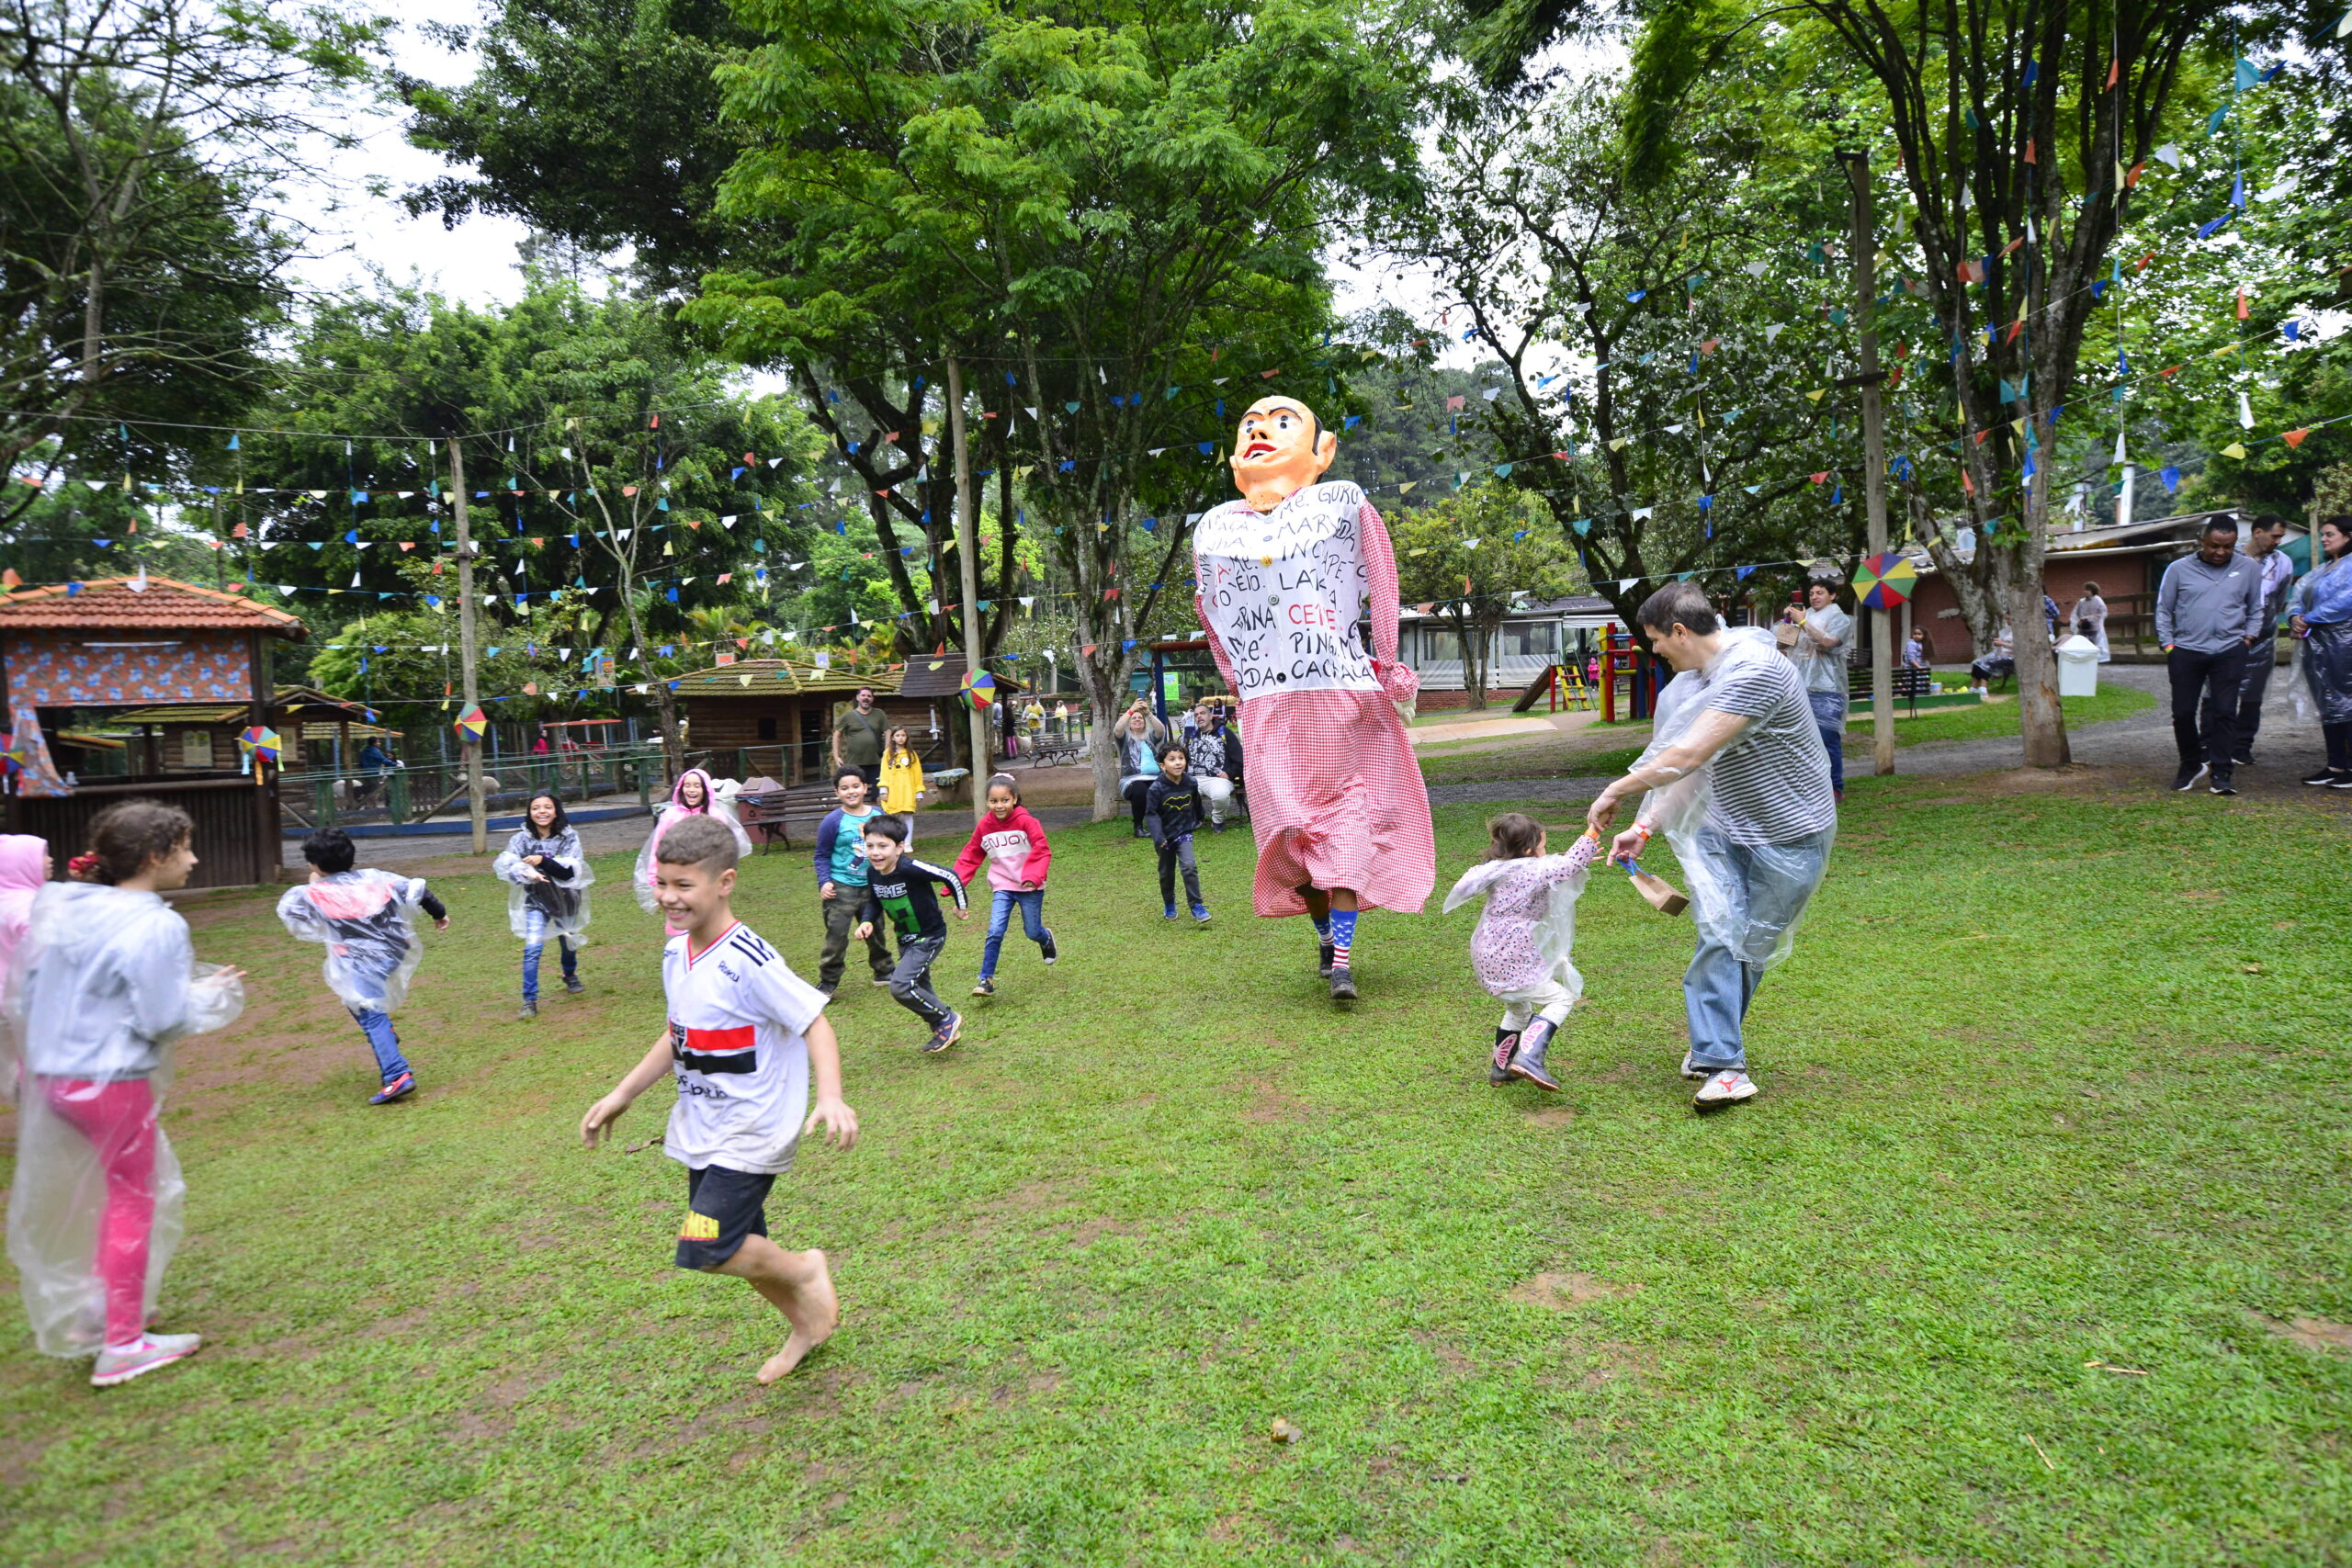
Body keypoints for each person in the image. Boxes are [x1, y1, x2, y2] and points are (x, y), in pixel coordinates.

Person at [579, 814, 856, 1385]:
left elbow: (815, 1022)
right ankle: (806, 1326)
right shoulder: (674, 953)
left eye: (683, 885)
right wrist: (623, 1092)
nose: (668, 896)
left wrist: (830, 1096)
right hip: (704, 1127)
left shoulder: (750, 960)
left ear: (725, 881)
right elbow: (677, 1032)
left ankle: (807, 1271)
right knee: (746, 1245)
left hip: (753, 1129)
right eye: (662, 883)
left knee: (707, 1247)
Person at [1192, 396, 1434, 1003]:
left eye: (1282, 422)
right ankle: (1325, 934)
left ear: (1323, 450)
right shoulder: (1217, 528)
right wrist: (1236, 679)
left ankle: (1343, 963)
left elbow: (1382, 576)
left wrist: (1387, 662)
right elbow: (1211, 610)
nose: (1261, 431)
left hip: (1344, 702)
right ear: (1233, 458)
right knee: (1289, 840)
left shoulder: (1341, 502)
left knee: (1346, 837)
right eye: (1249, 426)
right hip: (1270, 708)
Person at [5, 801, 244, 1385]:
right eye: (184, 848)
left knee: (106, 1195)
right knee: (132, 1202)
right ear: (155, 856)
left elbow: (35, 994)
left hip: (55, 1077)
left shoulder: (67, 905)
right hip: (111, 1080)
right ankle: (123, 1344)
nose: (194, 860)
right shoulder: (156, 923)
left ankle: (101, 1313)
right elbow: (161, 1018)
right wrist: (208, 997)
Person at [1585, 582, 1836, 1111]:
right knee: (1720, 933)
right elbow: (1689, 774)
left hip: (1792, 832)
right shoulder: (1689, 686)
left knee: (1752, 945)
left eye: (1656, 640)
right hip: (1722, 831)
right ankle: (1722, 1063)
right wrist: (1645, 826)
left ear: (1679, 631)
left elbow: (1689, 754)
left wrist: (1615, 789)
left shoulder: (1756, 671)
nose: (1655, 651)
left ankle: (1715, 1046)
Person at [276, 828, 449, 1105]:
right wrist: (439, 914)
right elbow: (418, 891)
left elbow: (292, 913)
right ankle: (386, 1033)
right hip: (393, 952)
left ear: (315, 864)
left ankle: (397, 1075)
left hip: (362, 963)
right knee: (355, 1001)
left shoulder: (314, 894)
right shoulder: (375, 879)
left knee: (370, 1014)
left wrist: (314, 884)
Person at [1442, 813, 1591, 1094]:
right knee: (1561, 998)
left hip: (1487, 952)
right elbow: (1569, 865)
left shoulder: (1496, 868)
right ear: (1528, 849)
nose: (1545, 851)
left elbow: (1559, 866)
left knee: (1518, 1010)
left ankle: (1501, 1068)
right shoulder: (1533, 870)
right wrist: (1593, 832)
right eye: (1542, 845)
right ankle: (1530, 1057)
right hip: (1512, 953)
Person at [2155, 516, 2266, 795]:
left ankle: (2222, 772)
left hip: (2229, 650)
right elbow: (2163, 609)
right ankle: (2190, 764)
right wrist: (2169, 645)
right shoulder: (2178, 569)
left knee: (2225, 712)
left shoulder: (2248, 568)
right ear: (2202, 541)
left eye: (2228, 547)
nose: (2220, 552)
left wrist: (2248, 639)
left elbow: (2256, 608)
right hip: (2186, 651)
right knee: (2183, 713)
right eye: (2214, 545)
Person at [852, 816, 969, 1055]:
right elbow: (874, 900)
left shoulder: (910, 868)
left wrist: (961, 906)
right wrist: (866, 921)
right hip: (904, 938)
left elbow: (949, 875)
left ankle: (947, 1019)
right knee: (920, 987)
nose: (875, 852)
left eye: (883, 846)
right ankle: (944, 1030)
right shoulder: (873, 873)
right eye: (870, 846)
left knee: (901, 986)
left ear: (899, 847)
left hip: (929, 936)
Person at [952, 773, 1057, 998]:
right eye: (993, 801)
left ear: (1015, 799)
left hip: (1030, 887)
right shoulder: (985, 826)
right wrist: (953, 887)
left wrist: (1034, 876)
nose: (999, 805)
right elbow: (970, 856)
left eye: (1004, 800)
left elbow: (1042, 850)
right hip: (1003, 886)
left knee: (1032, 931)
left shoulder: (1028, 822)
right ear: (987, 802)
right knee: (995, 931)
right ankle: (986, 979)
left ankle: (1045, 937)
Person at [495, 791, 594, 1019]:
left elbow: (569, 872)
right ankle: (529, 1000)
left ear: (556, 811)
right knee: (532, 949)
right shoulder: (521, 840)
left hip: (567, 900)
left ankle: (569, 974)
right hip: (536, 902)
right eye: (536, 807)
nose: (542, 811)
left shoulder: (569, 837)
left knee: (568, 943)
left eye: (547, 807)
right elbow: (508, 867)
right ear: (530, 813)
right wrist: (526, 872)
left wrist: (543, 861)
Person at [635, 768, 754, 931]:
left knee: (706, 918)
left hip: (707, 877)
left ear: (705, 790)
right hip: (678, 877)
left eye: (697, 786)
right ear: (681, 788)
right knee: (680, 917)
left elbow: (725, 848)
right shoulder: (671, 815)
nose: (692, 790)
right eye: (687, 785)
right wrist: (654, 876)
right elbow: (657, 846)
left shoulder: (715, 816)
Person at [810, 768, 892, 998]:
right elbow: (822, 855)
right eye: (844, 788)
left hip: (873, 885)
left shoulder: (878, 815)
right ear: (837, 792)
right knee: (836, 934)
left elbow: (889, 844)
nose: (851, 792)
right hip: (841, 887)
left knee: (876, 930)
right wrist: (824, 882)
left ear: (865, 788)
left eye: (856, 786)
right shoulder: (832, 821)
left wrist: (889, 874)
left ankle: (884, 971)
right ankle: (828, 981)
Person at [2291, 514, 2352, 788]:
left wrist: (2309, 618)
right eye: (2323, 534)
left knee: (2348, 702)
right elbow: (2298, 593)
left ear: (2348, 536)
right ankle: (2335, 763)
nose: (2324, 539)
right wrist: (2295, 616)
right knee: (2328, 703)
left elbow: (2346, 601)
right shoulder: (2323, 568)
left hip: (2345, 646)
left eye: (2330, 534)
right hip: (2319, 646)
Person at [2233, 515, 2296, 766]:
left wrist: (2264, 624)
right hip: (2229, 635)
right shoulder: (2232, 557)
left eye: (2281, 537)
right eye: (2275, 536)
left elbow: (2279, 597)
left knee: (2253, 694)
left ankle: (2242, 746)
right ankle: (2211, 743)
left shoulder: (2282, 562)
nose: (2278, 541)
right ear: (2258, 533)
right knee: (2217, 691)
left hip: (2263, 637)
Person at [1785, 581, 1854, 804]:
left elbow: (1827, 642)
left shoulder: (1840, 619)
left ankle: (1834, 788)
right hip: (1801, 687)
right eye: (1811, 593)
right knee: (1801, 741)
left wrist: (1803, 622)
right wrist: (1788, 622)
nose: (1814, 596)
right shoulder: (1804, 617)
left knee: (1827, 740)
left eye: (1820, 593)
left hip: (1828, 690)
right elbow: (1782, 645)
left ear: (1832, 596)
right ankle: (1809, 788)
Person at [1146, 742, 1211, 924]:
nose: (1177, 763)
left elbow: (1195, 802)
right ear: (1162, 765)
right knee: (1166, 873)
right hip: (1164, 838)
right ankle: (1169, 902)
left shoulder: (1190, 782)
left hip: (1184, 832)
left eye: (1181, 758)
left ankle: (1196, 906)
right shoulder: (1156, 788)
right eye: (1172, 759)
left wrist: (1200, 818)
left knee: (1189, 866)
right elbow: (1151, 814)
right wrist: (1158, 837)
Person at [0, 833, 47, 1002]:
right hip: (21, 1000)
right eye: (42, 855)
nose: (50, 860)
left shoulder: (6, 899)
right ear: (20, 863)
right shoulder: (28, 905)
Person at [1114, 706, 1166, 838]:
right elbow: (1117, 729)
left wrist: (1148, 713)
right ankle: (1138, 827)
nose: (1137, 720)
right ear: (1129, 723)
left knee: (1160, 788)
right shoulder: (1124, 739)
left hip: (1155, 778)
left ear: (1145, 722)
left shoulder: (1151, 738)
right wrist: (1131, 710)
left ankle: (1163, 824)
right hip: (1131, 780)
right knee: (1140, 790)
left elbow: (1160, 730)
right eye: (1134, 718)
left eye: (1140, 718)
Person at [1185, 702, 1237, 831]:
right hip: (1194, 778)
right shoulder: (1192, 736)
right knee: (1180, 793)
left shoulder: (1224, 732)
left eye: (1202, 713)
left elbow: (1239, 759)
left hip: (1217, 779)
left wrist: (1229, 773)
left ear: (1210, 716)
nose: (1199, 716)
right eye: (1196, 715)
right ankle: (1197, 817)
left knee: (1220, 795)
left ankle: (1218, 820)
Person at [830, 687, 889, 796]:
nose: (866, 698)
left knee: (876, 793)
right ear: (857, 697)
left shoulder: (879, 714)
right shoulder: (848, 716)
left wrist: (887, 752)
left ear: (872, 699)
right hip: (854, 763)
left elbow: (888, 732)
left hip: (876, 762)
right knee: (856, 793)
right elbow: (836, 735)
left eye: (869, 696)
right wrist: (836, 756)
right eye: (863, 695)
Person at [876, 726, 925, 841]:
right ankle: (894, 841)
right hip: (893, 790)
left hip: (908, 790)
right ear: (892, 738)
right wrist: (883, 789)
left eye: (903, 735)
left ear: (907, 737)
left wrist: (918, 791)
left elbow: (917, 773)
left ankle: (907, 843)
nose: (900, 738)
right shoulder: (888, 754)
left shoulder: (911, 754)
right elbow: (884, 772)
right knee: (892, 816)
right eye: (897, 735)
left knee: (908, 815)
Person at [2070, 581, 2111, 663]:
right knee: (2082, 644)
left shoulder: (2098, 600)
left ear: (2093, 590)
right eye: (2085, 590)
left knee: (2095, 644)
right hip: (2083, 627)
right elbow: (2077, 613)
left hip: (2094, 627)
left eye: (2088, 590)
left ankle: (2094, 660)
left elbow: (2103, 613)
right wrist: (2079, 621)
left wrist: (2090, 618)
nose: (2085, 591)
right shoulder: (2081, 601)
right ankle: (2083, 660)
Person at [1968, 625, 2015, 692]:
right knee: (1977, 662)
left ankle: (1983, 689)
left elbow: (2017, 646)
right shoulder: (2009, 630)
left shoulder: (2020, 631)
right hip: (2001, 654)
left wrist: (2002, 643)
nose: (2007, 621)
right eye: (2006, 619)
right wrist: (1999, 641)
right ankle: (1974, 688)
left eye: (2009, 619)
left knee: (1986, 664)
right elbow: (2006, 642)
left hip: (2011, 657)